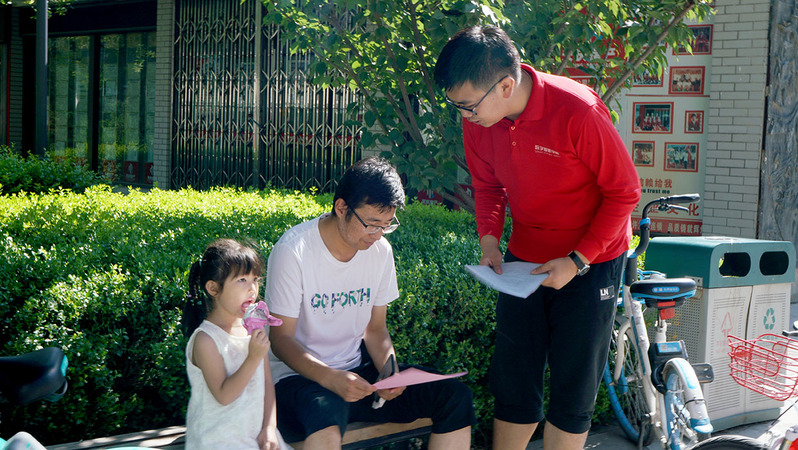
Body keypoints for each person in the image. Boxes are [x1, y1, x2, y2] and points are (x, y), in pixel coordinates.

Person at [434, 25, 642, 450]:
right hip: (524, 260)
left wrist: (577, 261)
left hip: (592, 261)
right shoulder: (481, 118)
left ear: (505, 86)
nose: (464, 116)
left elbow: (625, 193)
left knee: (573, 388)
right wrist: (489, 241)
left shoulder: (578, 111)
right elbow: (488, 187)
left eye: (467, 105)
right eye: (457, 106)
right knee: (514, 379)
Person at [265, 156, 475, 449]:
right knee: (326, 414)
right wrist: (331, 378)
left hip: (358, 377)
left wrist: (391, 374)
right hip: (298, 380)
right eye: (372, 224)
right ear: (341, 208)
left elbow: (376, 330)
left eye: (387, 226)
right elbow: (281, 340)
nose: (377, 236)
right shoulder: (294, 250)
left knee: (454, 397)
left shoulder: (380, 252)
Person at [182, 238, 289, 450]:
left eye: (255, 279)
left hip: (256, 437)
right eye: (241, 280)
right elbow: (224, 395)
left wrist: (269, 427)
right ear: (213, 288)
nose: (252, 289)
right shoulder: (206, 339)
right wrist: (253, 357)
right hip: (218, 441)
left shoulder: (253, 330)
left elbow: (267, 382)